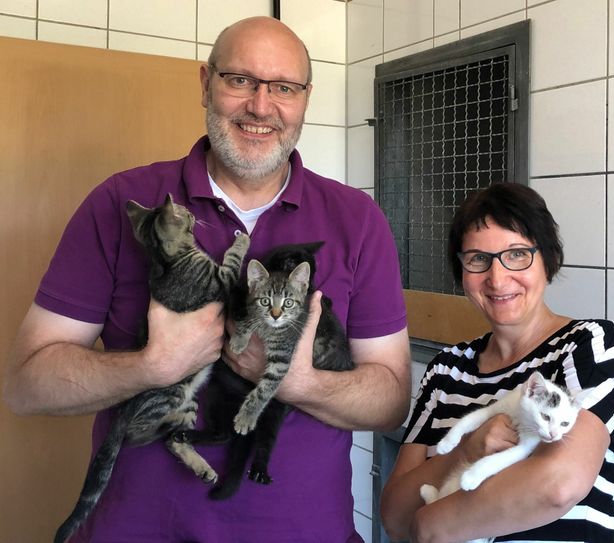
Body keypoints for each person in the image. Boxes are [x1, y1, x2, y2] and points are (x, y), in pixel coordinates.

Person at [3, 16, 411, 542]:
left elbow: (391, 400)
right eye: (240, 80)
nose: (261, 106)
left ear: (305, 99)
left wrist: (300, 382)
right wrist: (152, 365)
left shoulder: (357, 219)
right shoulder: (121, 203)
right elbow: (26, 385)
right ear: (205, 83)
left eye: (283, 88)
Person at [380, 183, 614, 543]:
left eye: (517, 254)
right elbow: (394, 516)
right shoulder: (444, 371)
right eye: (478, 259)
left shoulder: (588, 345)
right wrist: (467, 449)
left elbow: (558, 485)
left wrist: (430, 525)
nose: (497, 278)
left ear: (548, 259)